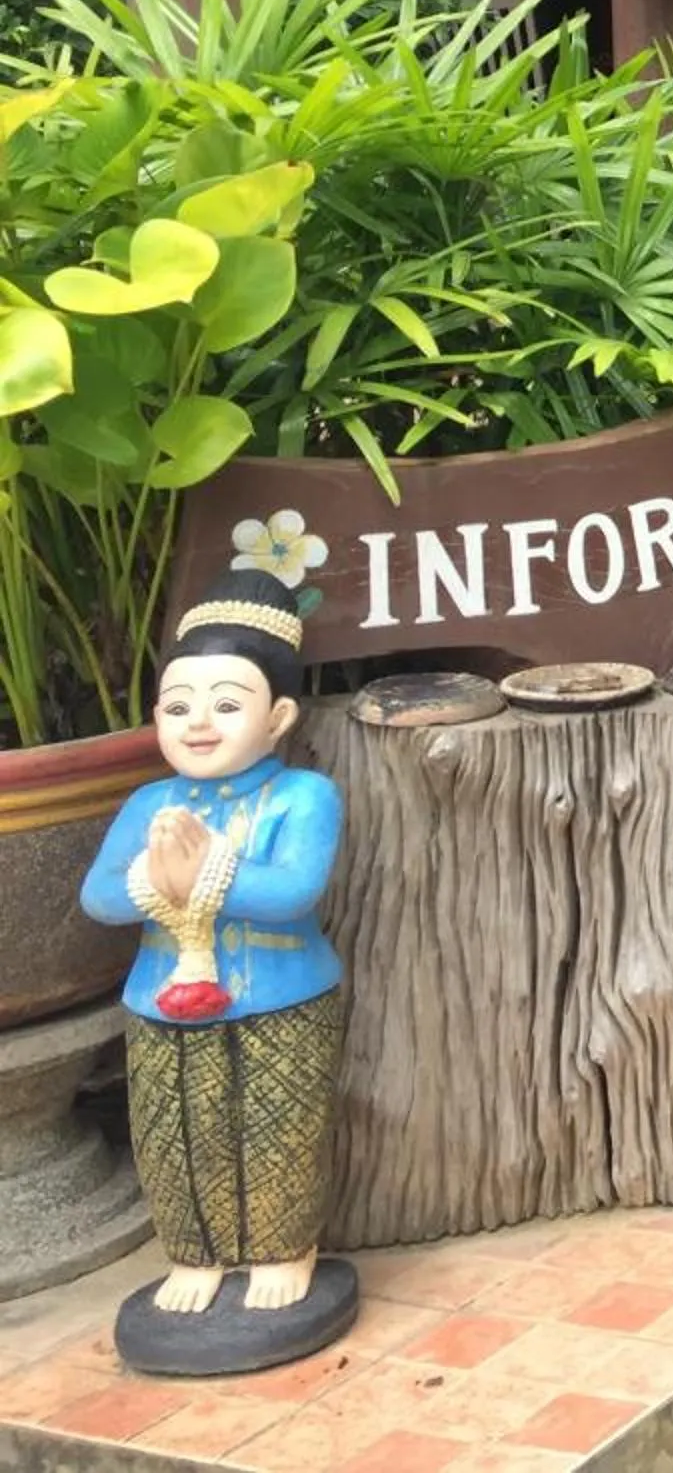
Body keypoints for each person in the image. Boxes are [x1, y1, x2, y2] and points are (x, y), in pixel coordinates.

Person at [79, 569, 354, 1371]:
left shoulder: (304, 797)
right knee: (175, 1137)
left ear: (279, 718)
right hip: (163, 1000)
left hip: (279, 997)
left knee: (272, 1133)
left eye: (228, 705)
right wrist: (152, 880)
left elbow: (293, 892)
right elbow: (100, 898)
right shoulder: (147, 806)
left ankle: (281, 1252)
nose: (199, 723)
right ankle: (194, 1255)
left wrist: (210, 871)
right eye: (178, 706)